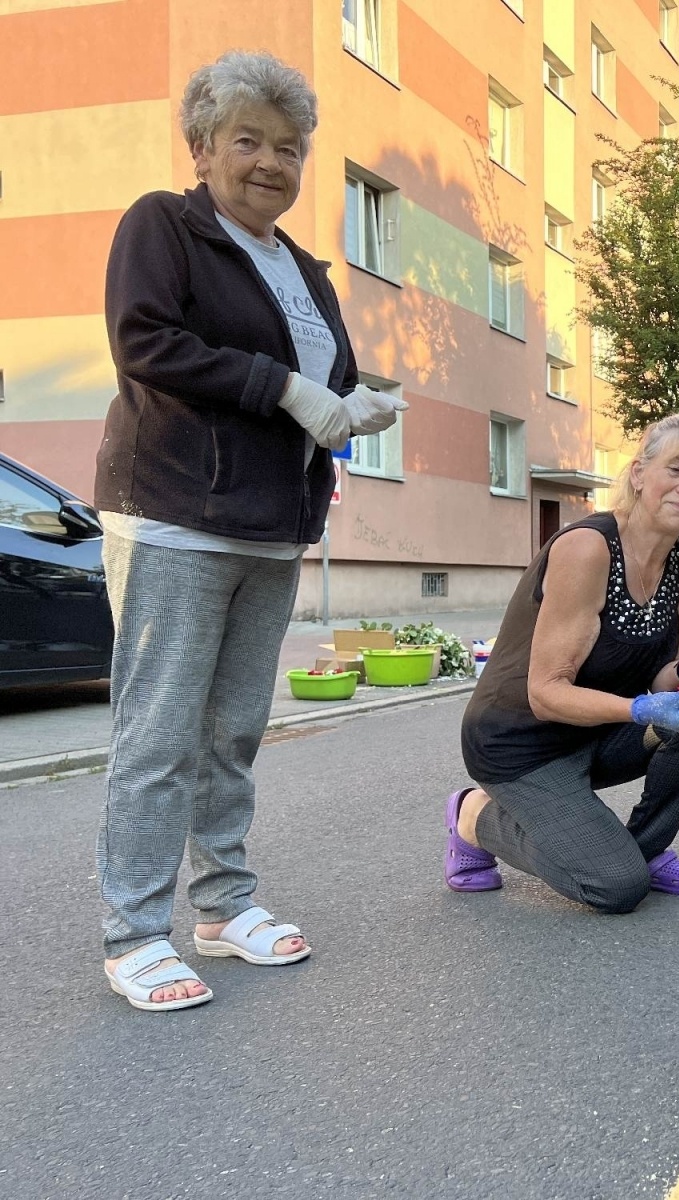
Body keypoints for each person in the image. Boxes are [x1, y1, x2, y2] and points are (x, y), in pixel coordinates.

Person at [96, 52, 403, 1012]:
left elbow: (331, 375)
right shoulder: (165, 226)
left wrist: (356, 404)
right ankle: (135, 931)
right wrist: (287, 387)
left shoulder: (302, 267)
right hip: (177, 518)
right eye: (248, 141)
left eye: (289, 146)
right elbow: (147, 341)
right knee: (160, 734)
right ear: (201, 148)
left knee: (232, 729)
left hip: (271, 528)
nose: (272, 161)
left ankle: (224, 907)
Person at [451, 415, 679, 913]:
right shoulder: (587, 548)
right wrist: (640, 712)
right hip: (521, 746)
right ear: (638, 474)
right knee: (614, 887)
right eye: (675, 470)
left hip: (595, 736)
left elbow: (664, 674)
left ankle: (645, 849)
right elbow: (546, 694)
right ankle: (471, 815)